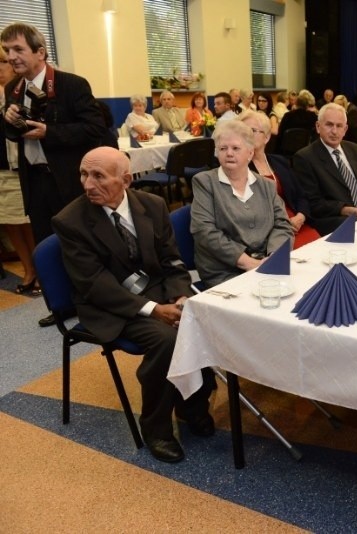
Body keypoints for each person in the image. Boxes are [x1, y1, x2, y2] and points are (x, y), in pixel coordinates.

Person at [52, 146, 215, 463]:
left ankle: (192, 405)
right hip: (108, 303)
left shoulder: (152, 205)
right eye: (84, 174)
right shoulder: (70, 221)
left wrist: (181, 296)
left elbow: (171, 261)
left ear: (125, 179)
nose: (87, 184)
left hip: (155, 289)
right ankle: (155, 427)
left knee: (202, 319)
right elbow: (95, 285)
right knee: (167, 340)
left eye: (99, 176)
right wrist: (154, 310)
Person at [2, 22, 108, 327]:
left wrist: (50, 132)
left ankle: (93, 305)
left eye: (18, 49)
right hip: (34, 180)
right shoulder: (13, 89)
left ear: (40, 51)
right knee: (45, 244)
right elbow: (13, 135)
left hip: (68, 179)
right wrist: (8, 121)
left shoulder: (71, 85)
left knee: (80, 245)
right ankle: (61, 306)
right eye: (7, 51)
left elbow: (95, 129)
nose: (11, 57)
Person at [191, 120, 294, 287]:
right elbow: (204, 231)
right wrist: (247, 262)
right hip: (225, 271)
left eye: (236, 148)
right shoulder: (204, 182)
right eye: (223, 148)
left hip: (266, 263)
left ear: (250, 153)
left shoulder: (266, 185)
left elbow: (282, 224)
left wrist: (275, 256)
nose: (229, 153)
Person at [293, 103, 357, 235]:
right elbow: (314, 203)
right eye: (329, 125)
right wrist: (351, 211)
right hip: (339, 222)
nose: (334, 131)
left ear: (345, 129)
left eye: (339, 126)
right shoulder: (305, 158)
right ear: (318, 127)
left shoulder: (355, 149)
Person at [238, 110, 320, 248]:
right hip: (271, 232)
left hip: (298, 225)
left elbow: (301, 196)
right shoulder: (239, 169)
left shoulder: (280, 162)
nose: (246, 136)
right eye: (242, 131)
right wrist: (284, 224)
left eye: (252, 130)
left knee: (320, 251)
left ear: (267, 137)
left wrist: (301, 216)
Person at [0, 45, 38, 295]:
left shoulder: (25, 90)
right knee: (10, 223)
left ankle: (42, 271)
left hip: (22, 167)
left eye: (4, 63)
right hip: (1, 168)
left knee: (29, 223)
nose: (1, 69)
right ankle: (28, 270)